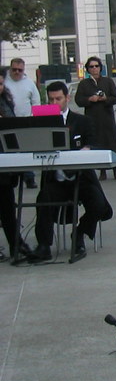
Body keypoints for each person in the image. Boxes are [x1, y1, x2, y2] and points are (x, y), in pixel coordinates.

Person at [28, 82, 113, 263]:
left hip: (81, 178)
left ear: (67, 98)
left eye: (58, 98)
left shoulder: (82, 121)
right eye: (51, 99)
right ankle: (44, 245)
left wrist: (86, 150)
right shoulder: (42, 123)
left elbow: (95, 142)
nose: (55, 102)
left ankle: (80, 233)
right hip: (57, 180)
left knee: (98, 204)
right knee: (44, 198)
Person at [0, 69, 34, 263]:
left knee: (7, 207)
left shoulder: (5, 101)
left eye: (1, 84)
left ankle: (16, 244)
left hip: (6, 160)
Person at [74, 56, 116, 180]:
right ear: (88, 69)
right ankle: (102, 170)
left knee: (112, 142)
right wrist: (89, 99)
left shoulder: (107, 81)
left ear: (100, 68)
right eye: (91, 66)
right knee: (98, 142)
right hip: (92, 117)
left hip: (107, 116)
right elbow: (78, 100)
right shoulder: (84, 84)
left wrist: (106, 99)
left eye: (97, 66)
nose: (94, 68)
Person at [5, 57, 40, 188]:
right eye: (14, 69)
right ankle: (11, 178)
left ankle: (29, 178)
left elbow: (36, 101)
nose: (17, 72)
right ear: (10, 69)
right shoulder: (5, 82)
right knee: (10, 150)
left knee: (26, 151)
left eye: (20, 70)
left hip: (25, 120)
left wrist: (33, 116)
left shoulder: (29, 83)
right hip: (8, 121)